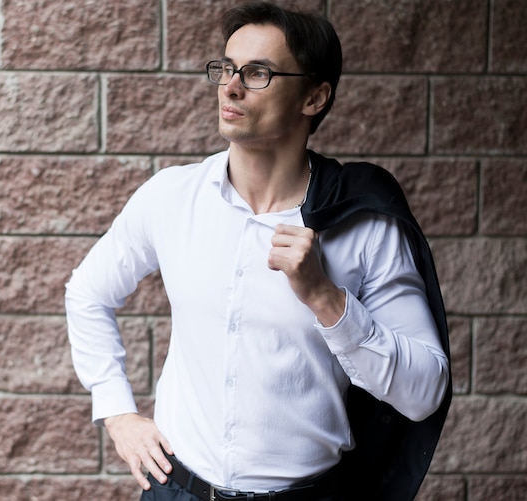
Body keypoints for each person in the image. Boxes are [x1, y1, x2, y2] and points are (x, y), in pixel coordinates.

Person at [65, 2, 451, 500]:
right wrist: (116, 411)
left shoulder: (363, 225)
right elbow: (87, 293)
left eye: (258, 73)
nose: (230, 86)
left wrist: (327, 301)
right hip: (177, 492)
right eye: (226, 68)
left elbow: (424, 392)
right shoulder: (171, 197)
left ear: (314, 96)